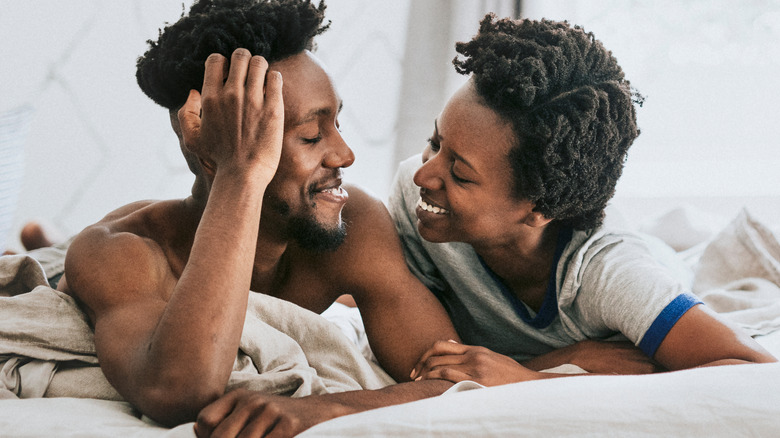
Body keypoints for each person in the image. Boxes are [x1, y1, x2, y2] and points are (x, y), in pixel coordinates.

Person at [57, 0, 462, 429]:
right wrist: (238, 174)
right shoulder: (120, 253)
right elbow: (179, 391)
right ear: (208, 147)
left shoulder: (354, 221)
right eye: (310, 136)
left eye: (337, 124)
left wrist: (326, 408)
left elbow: (457, 376)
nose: (345, 154)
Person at [385, 15, 777, 387]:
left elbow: (755, 373)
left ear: (539, 208)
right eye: (435, 142)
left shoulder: (613, 277)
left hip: (656, 262)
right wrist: (568, 359)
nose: (424, 174)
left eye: (460, 174)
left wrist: (532, 383)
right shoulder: (414, 197)